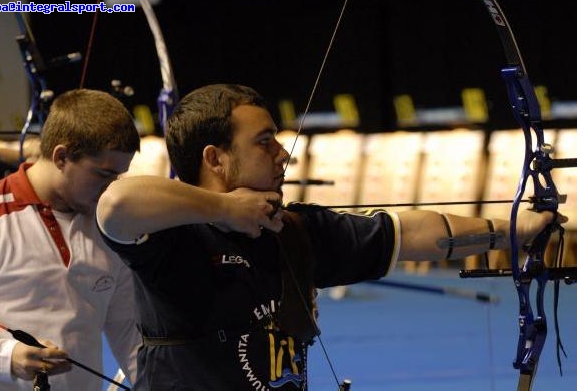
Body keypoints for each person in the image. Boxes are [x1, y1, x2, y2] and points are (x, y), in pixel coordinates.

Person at [96, 84, 559, 391]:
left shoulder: (295, 231)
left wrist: (514, 230)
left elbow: (412, 233)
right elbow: (114, 205)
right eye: (264, 142)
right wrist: (224, 208)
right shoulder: (170, 240)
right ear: (215, 159)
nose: (282, 156)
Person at [0, 89, 141, 390]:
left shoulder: (111, 226)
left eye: (118, 177)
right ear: (61, 157)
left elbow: (129, 336)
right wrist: (8, 356)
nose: (111, 188)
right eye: (103, 174)